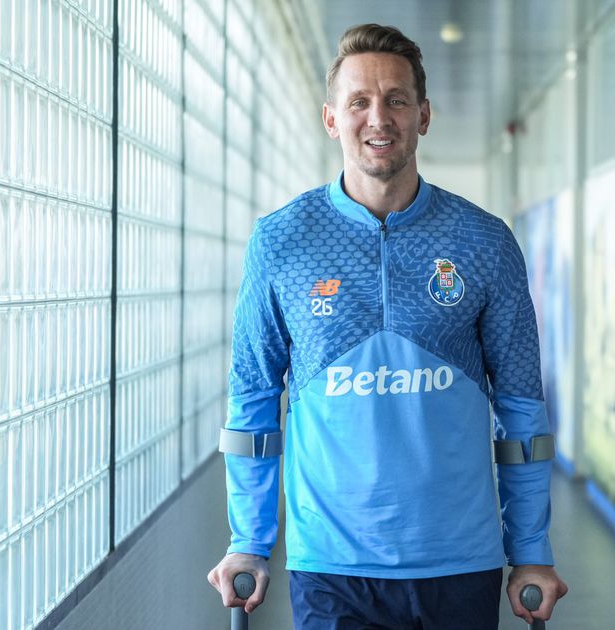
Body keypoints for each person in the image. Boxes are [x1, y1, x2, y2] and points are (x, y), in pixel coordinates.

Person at [206, 23, 567, 629]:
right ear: (331, 119)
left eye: (397, 100)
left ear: (423, 115)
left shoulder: (485, 242)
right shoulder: (280, 242)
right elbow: (252, 403)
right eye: (359, 102)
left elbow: (521, 410)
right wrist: (249, 539)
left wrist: (531, 550)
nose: (379, 118)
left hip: (460, 561)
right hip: (331, 565)